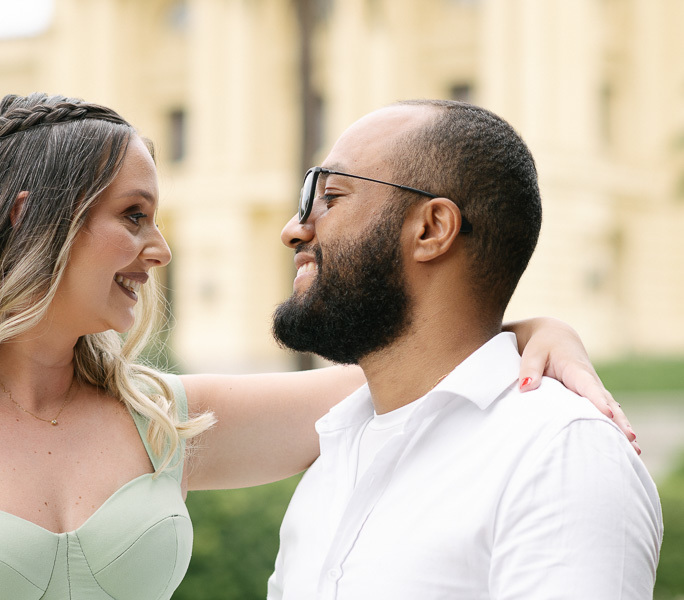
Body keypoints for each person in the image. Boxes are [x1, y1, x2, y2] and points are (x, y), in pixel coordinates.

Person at [0, 93, 633, 600]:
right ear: (27, 217)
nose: (159, 251)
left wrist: (530, 330)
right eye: (133, 216)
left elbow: (416, 375)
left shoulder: (160, 422)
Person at [267, 99, 663, 600]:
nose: (295, 228)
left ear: (431, 229)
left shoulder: (558, 452)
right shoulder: (336, 449)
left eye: (331, 196)